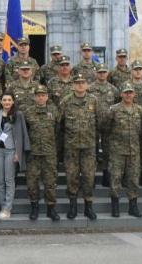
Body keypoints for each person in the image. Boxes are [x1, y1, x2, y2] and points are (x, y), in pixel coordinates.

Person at [58, 73, 99, 220]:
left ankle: (88, 207)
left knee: (89, 177)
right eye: (77, 82)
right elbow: (59, 123)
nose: (80, 85)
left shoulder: (94, 101)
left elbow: (99, 123)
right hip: (72, 147)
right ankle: (73, 206)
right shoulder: (66, 101)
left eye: (83, 82)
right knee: (72, 177)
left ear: (87, 85)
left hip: (89, 146)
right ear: (73, 85)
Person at [105, 83, 142, 218]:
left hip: (134, 151)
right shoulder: (113, 110)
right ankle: (115, 207)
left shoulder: (140, 110)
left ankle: (133, 206)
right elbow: (105, 127)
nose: (128, 95)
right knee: (115, 179)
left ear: (134, 94)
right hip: (117, 151)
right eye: (126, 92)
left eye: (130, 92)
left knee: (134, 179)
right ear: (121, 94)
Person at [0, 93, 29, 220]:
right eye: (4, 100)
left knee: (9, 180)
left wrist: (18, 153)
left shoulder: (18, 115)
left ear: (13, 102)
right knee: (0, 181)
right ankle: (2, 206)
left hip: (11, 150)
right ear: (1, 101)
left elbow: (22, 134)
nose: (7, 102)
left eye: (9, 100)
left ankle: (7, 208)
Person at [24, 85, 60, 221]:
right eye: (38, 95)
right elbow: (25, 132)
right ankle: (34, 208)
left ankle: (51, 209)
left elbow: (57, 130)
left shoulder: (53, 111)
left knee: (50, 182)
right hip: (33, 153)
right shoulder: (28, 112)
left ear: (47, 97)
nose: (40, 97)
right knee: (32, 183)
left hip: (49, 153)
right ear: (34, 97)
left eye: (43, 95)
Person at [88, 63, 119, 187]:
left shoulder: (114, 90)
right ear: (96, 73)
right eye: (99, 72)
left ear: (107, 74)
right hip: (92, 124)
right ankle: (91, 178)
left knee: (108, 151)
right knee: (91, 152)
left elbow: (117, 107)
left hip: (108, 126)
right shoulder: (89, 88)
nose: (102, 74)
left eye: (104, 72)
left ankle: (106, 178)